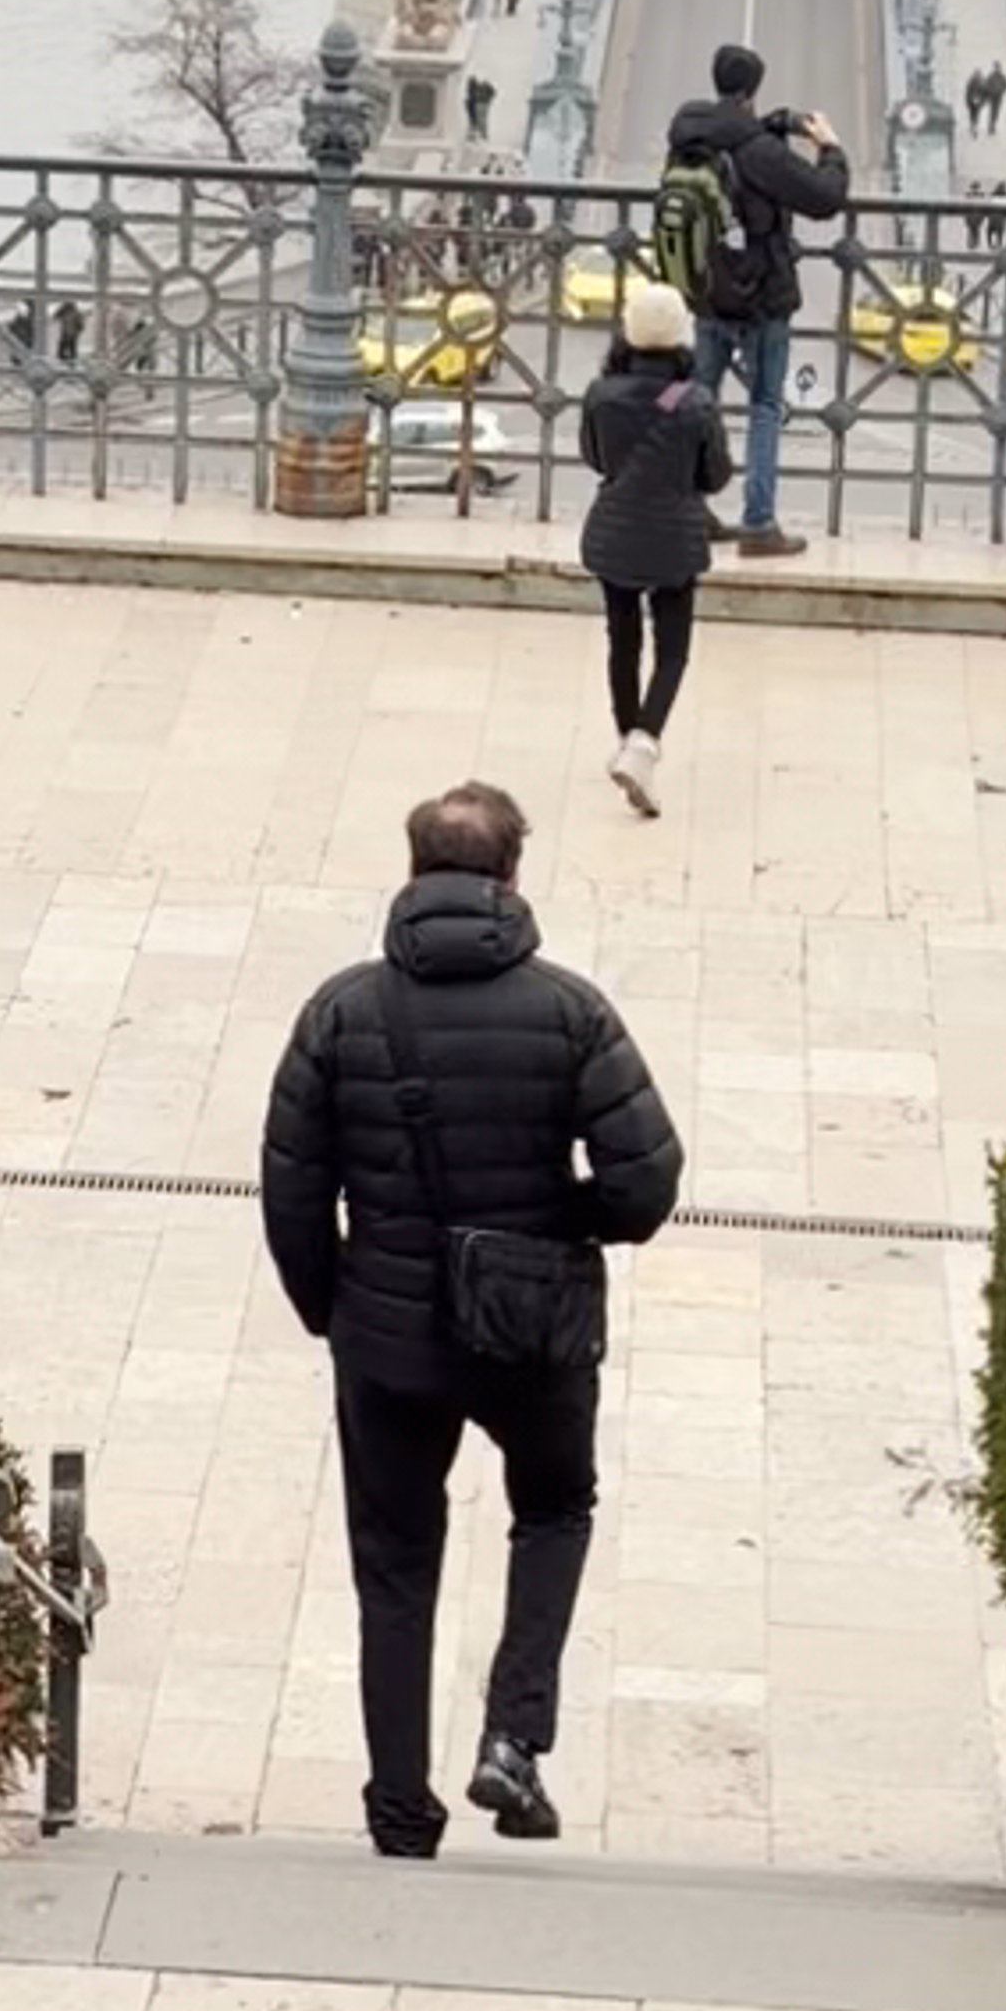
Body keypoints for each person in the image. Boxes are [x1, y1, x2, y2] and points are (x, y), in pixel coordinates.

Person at [260, 781, 681, 1858]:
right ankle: (513, 1737)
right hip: (531, 1329)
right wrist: (559, 1223)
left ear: (411, 873)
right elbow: (646, 1180)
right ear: (511, 877)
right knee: (553, 1508)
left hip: (387, 1342)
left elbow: (293, 1189)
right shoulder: (570, 1009)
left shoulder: (342, 1011)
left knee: (395, 1565)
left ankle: (400, 1810)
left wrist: (335, 1310)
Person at [655, 40, 850, 558]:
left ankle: (690, 510)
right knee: (765, 405)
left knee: (698, 401)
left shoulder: (688, 136)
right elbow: (824, 198)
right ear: (753, 90)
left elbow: (733, 151)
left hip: (706, 292)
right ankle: (759, 523)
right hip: (762, 296)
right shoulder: (760, 152)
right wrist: (830, 148)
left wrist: (772, 126)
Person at [579, 269, 731, 808]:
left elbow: (595, 458)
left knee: (623, 643)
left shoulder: (601, 394)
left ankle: (628, 744)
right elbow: (715, 476)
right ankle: (644, 745)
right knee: (673, 653)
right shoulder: (695, 401)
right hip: (674, 539)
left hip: (614, 533)